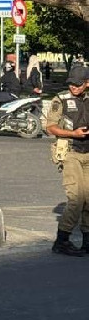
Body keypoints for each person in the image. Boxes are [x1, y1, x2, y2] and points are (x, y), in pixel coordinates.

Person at [45, 65, 89, 256]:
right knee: (76, 199)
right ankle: (62, 241)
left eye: (78, 84)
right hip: (70, 151)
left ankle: (87, 241)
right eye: (72, 84)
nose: (74, 87)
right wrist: (74, 133)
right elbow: (50, 127)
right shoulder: (61, 100)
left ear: (87, 83)